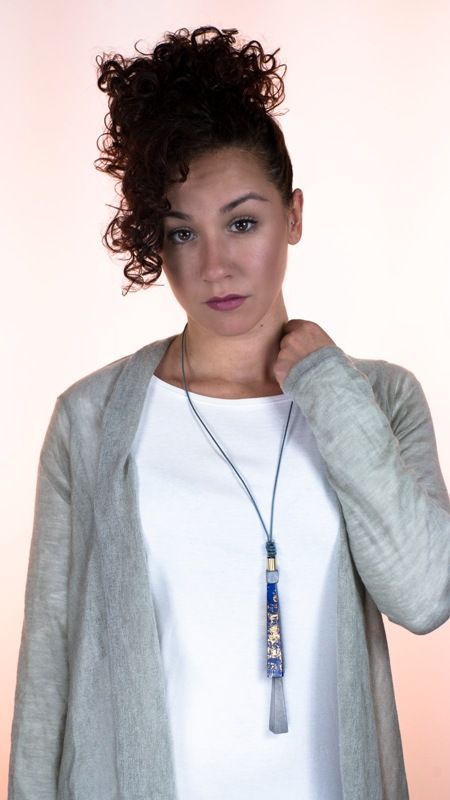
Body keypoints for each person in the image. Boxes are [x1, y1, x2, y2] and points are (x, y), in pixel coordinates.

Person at [8, 25, 450, 800]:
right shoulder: (92, 418)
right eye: (184, 233)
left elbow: (425, 595)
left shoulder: (378, 399)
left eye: (242, 222)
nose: (214, 265)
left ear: (294, 216)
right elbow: (48, 664)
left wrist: (326, 383)